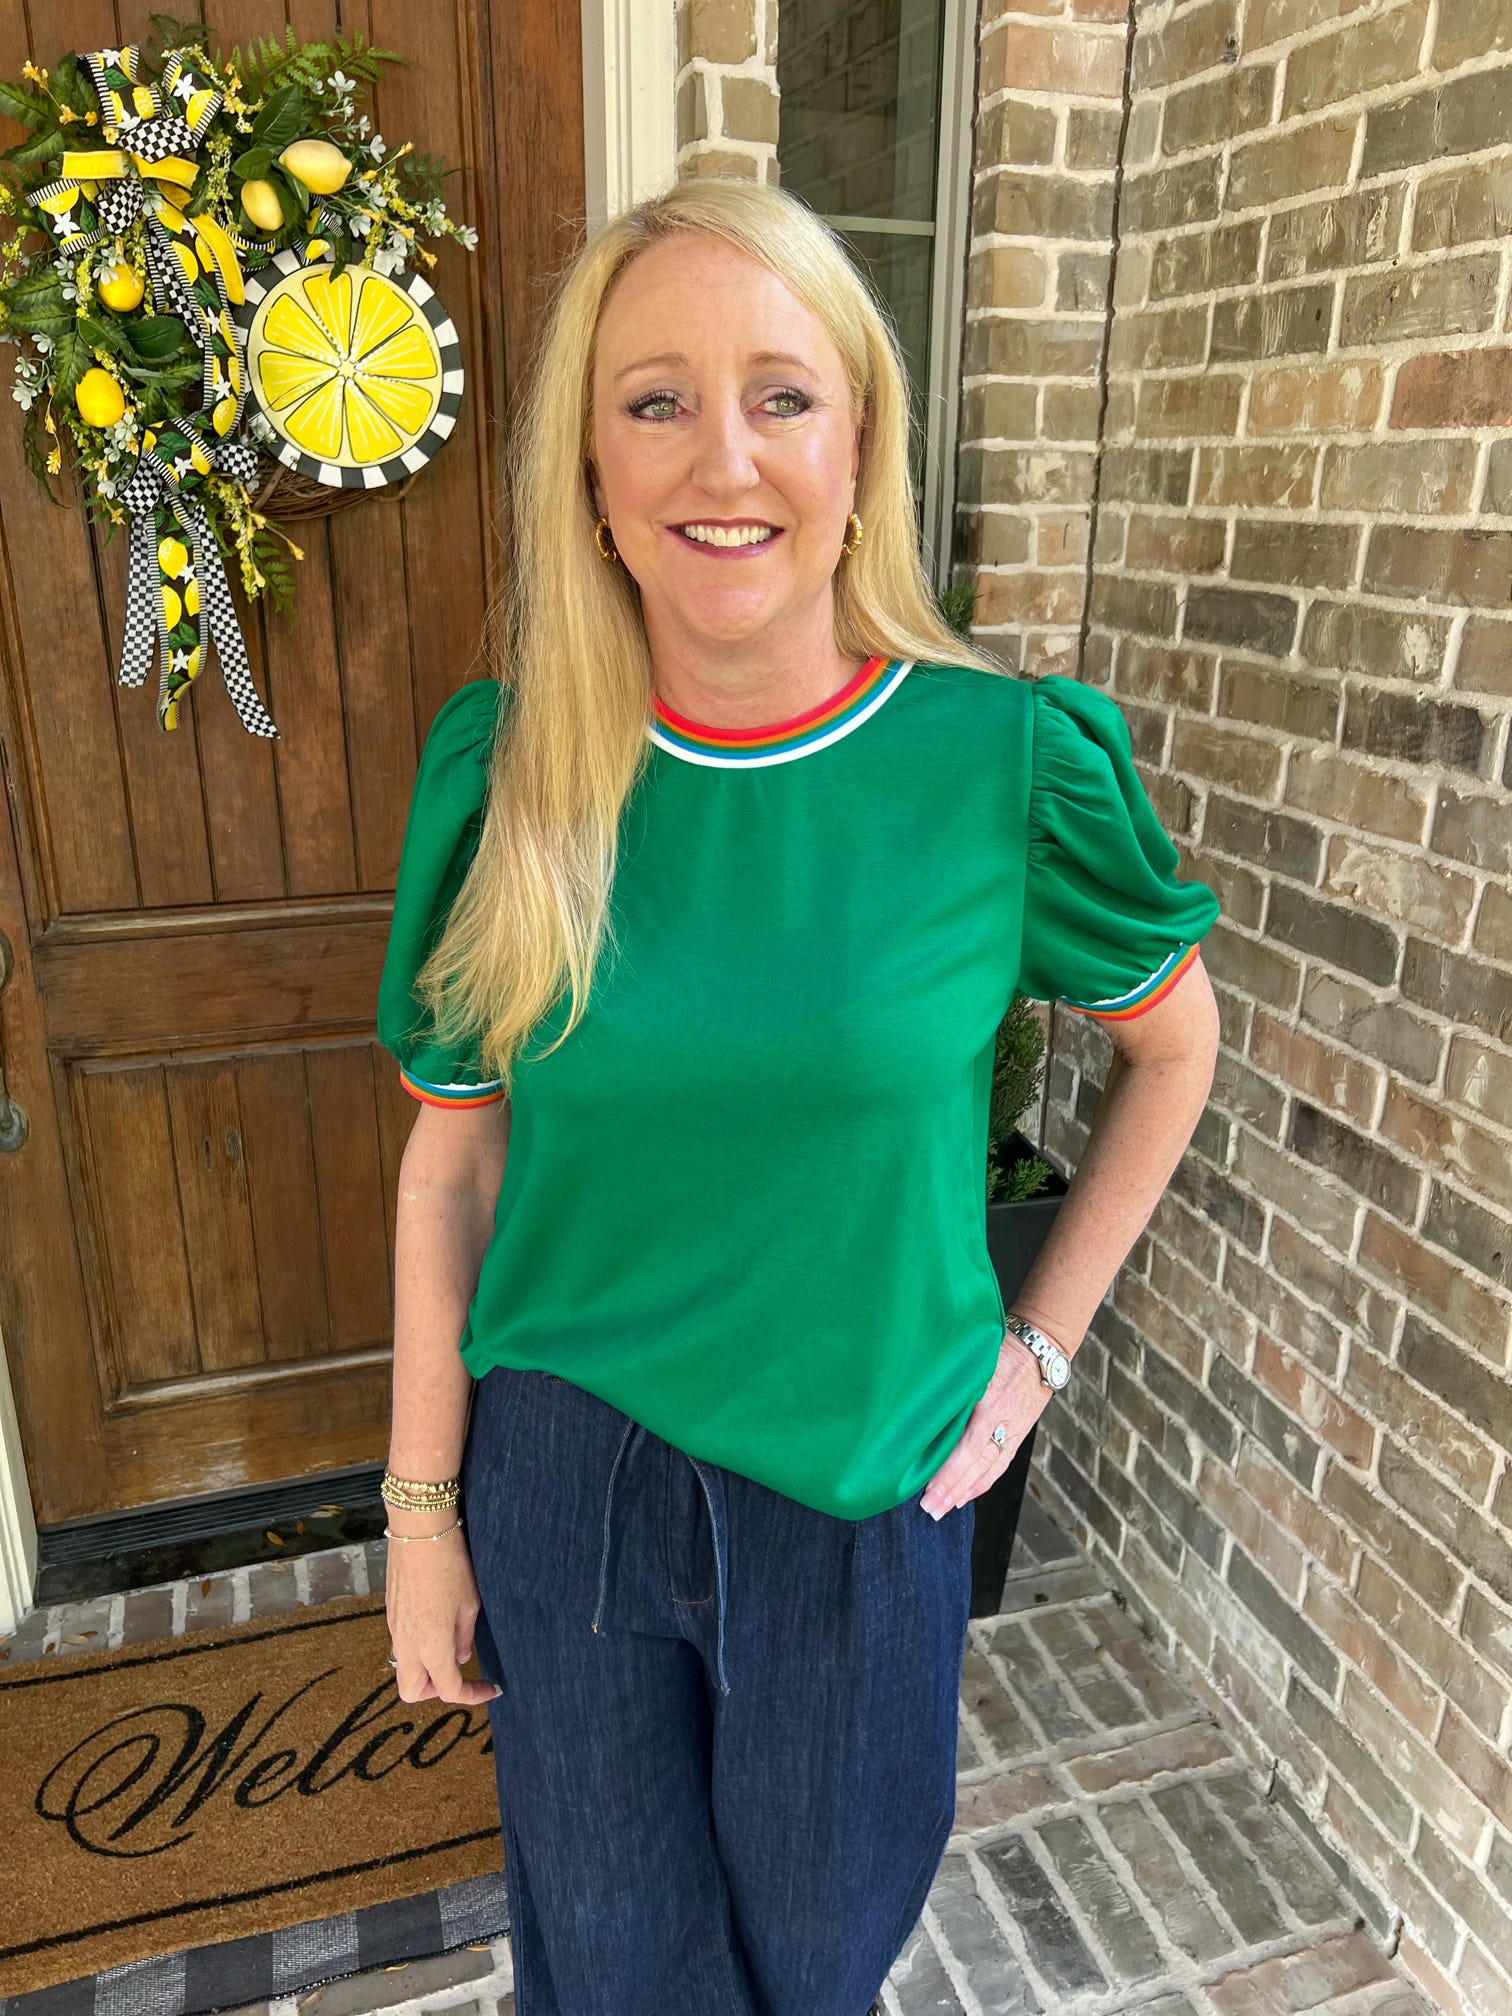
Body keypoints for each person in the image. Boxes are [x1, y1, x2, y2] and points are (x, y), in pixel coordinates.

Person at [375, 178, 1222, 2016]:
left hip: (863, 1495)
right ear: (590, 472)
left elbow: (1175, 1048)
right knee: (613, 1978)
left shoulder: (1001, 767)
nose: (723, 458)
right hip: (567, 1474)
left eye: (782, 395)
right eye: (654, 401)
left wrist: (1040, 1353)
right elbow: (453, 1169)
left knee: (814, 1974)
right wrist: (420, 1513)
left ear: (858, 446)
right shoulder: (514, 783)